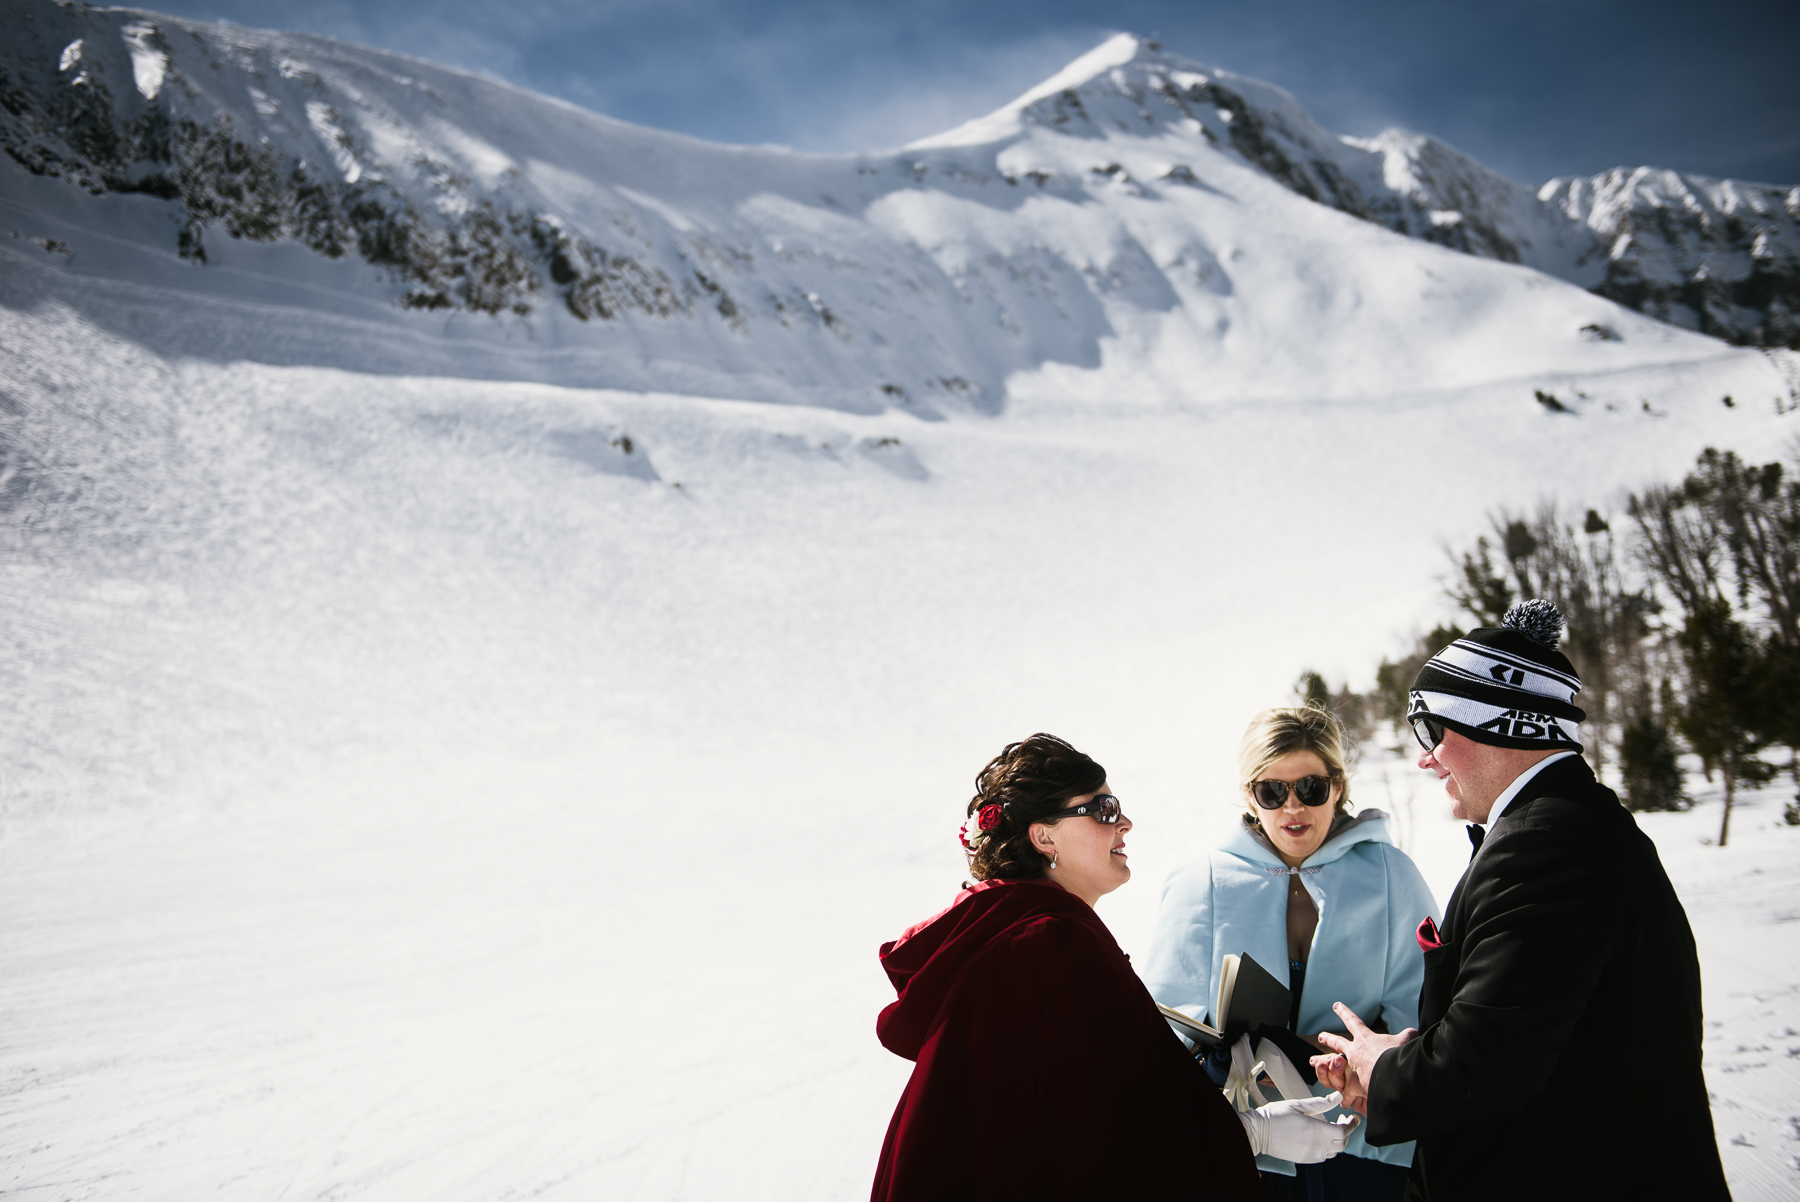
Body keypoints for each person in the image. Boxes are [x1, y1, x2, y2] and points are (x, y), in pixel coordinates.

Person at [1311, 600, 1730, 1201]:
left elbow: (1480, 1069)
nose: (1425, 758)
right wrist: (1413, 1058)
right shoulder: (1579, 825)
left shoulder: (1544, 848)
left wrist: (1387, 1071)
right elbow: (1531, 1032)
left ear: (1499, 723)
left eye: (1431, 730)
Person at [871, 733, 1357, 1202]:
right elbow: (1104, 1138)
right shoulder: (1050, 945)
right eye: (1103, 810)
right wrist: (1255, 1132)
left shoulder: (1019, 935)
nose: (1124, 823)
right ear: (1043, 837)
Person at [1144, 706, 1438, 1202]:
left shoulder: (1392, 875)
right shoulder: (1202, 881)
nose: (1293, 808)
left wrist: (1376, 1070)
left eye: (1311, 788)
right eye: (1272, 792)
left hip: (1360, 1141)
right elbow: (1163, 1031)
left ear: (1338, 786)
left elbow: (1425, 1012)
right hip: (1251, 1139)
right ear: (1249, 796)